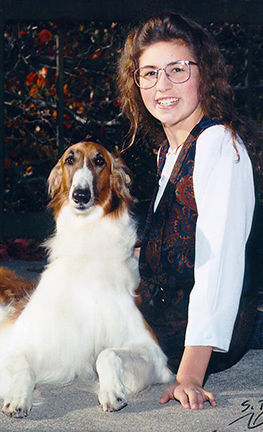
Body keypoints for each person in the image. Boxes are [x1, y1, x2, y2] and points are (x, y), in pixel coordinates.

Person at [117, 12, 263, 411]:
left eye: (176, 70)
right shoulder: (170, 150)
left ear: (205, 75)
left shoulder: (219, 145)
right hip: (162, 316)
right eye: (149, 73)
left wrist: (190, 376)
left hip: (204, 338)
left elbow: (220, 266)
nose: (161, 85)